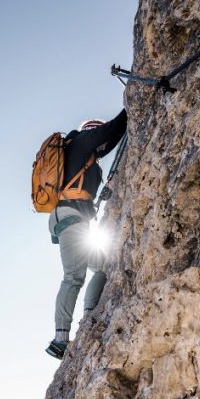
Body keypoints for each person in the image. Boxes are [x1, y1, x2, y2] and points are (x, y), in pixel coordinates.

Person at [46, 108, 128, 359]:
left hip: (73, 219)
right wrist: (129, 109)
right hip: (70, 218)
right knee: (73, 276)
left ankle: (90, 314)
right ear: (91, 130)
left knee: (103, 266)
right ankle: (60, 340)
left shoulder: (85, 158)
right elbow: (112, 131)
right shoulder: (80, 141)